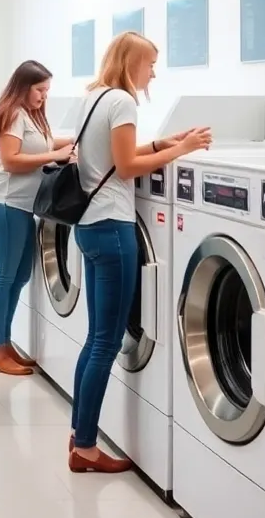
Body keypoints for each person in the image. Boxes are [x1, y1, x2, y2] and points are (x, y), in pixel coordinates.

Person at [70, 31, 212, 472]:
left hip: (87, 227)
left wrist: (167, 141)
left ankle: (78, 437)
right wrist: (184, 150)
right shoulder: (124, 102)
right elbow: (127, 166)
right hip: (113, 228)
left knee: (94, 338)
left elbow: (115, 155)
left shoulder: (93, 97)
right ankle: (87, 447)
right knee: (107, 342)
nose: (154, 72)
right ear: (132, 63)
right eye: (150, 63)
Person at [0, 61, 75, 375]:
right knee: (4, 278)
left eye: (47, 90)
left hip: (21, 207)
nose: (43, 96)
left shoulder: (32, 116)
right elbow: (11, 161)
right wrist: (55, 155)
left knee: (20, 277)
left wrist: (79, 142)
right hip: (6, 203)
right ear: (23, 86)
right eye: (39, 90)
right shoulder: (12, 114)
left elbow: (47, 143)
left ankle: (4, 344)